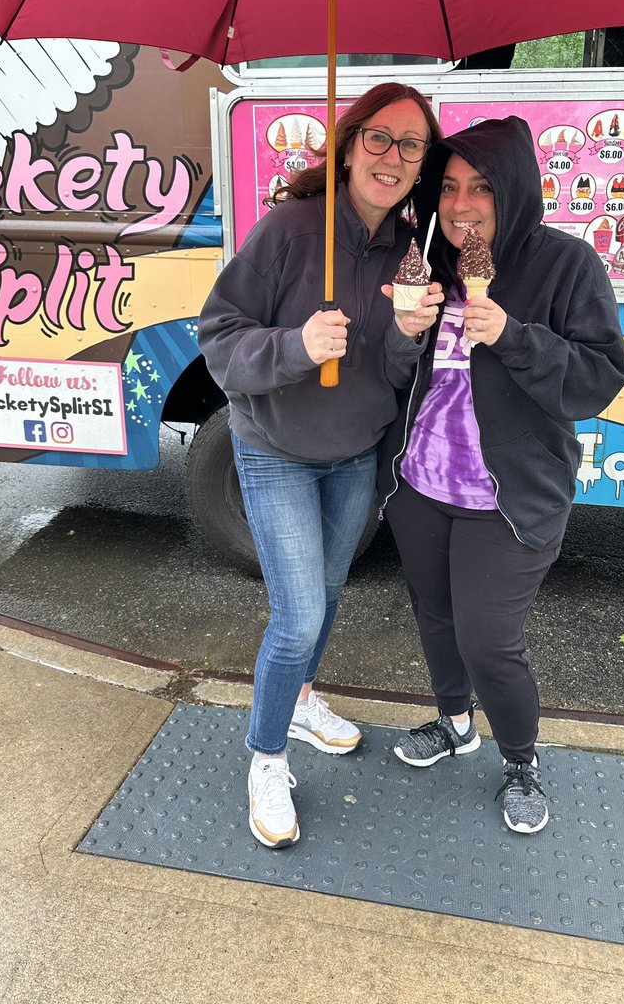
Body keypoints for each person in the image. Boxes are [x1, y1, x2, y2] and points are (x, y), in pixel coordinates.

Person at [198, 82, 444, 849]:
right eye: (379, 138)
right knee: (298, 613)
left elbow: (400, 375)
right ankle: (265, 757)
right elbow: (219, 338)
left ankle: (302, 699)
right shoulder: (291, 229)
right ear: (348, 143)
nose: (393, 157)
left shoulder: (411, 250)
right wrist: (297, 347)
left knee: (331, 589)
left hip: (354, 454)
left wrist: (407, 334)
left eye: (411, 145)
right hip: (274, 452)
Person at [377, 116, 624, 834]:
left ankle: (520, 757)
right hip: (420, 486)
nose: (460, 205)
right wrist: (400, 336)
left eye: (480, 187)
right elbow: (390, 379)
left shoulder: (564, 265)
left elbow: (598, 379)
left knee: (489, 638)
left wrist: (512, 336)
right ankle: (455, 723)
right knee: (436, 618)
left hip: (510, 497)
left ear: (512, 190)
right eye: (448, 187)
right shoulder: (421, 259)